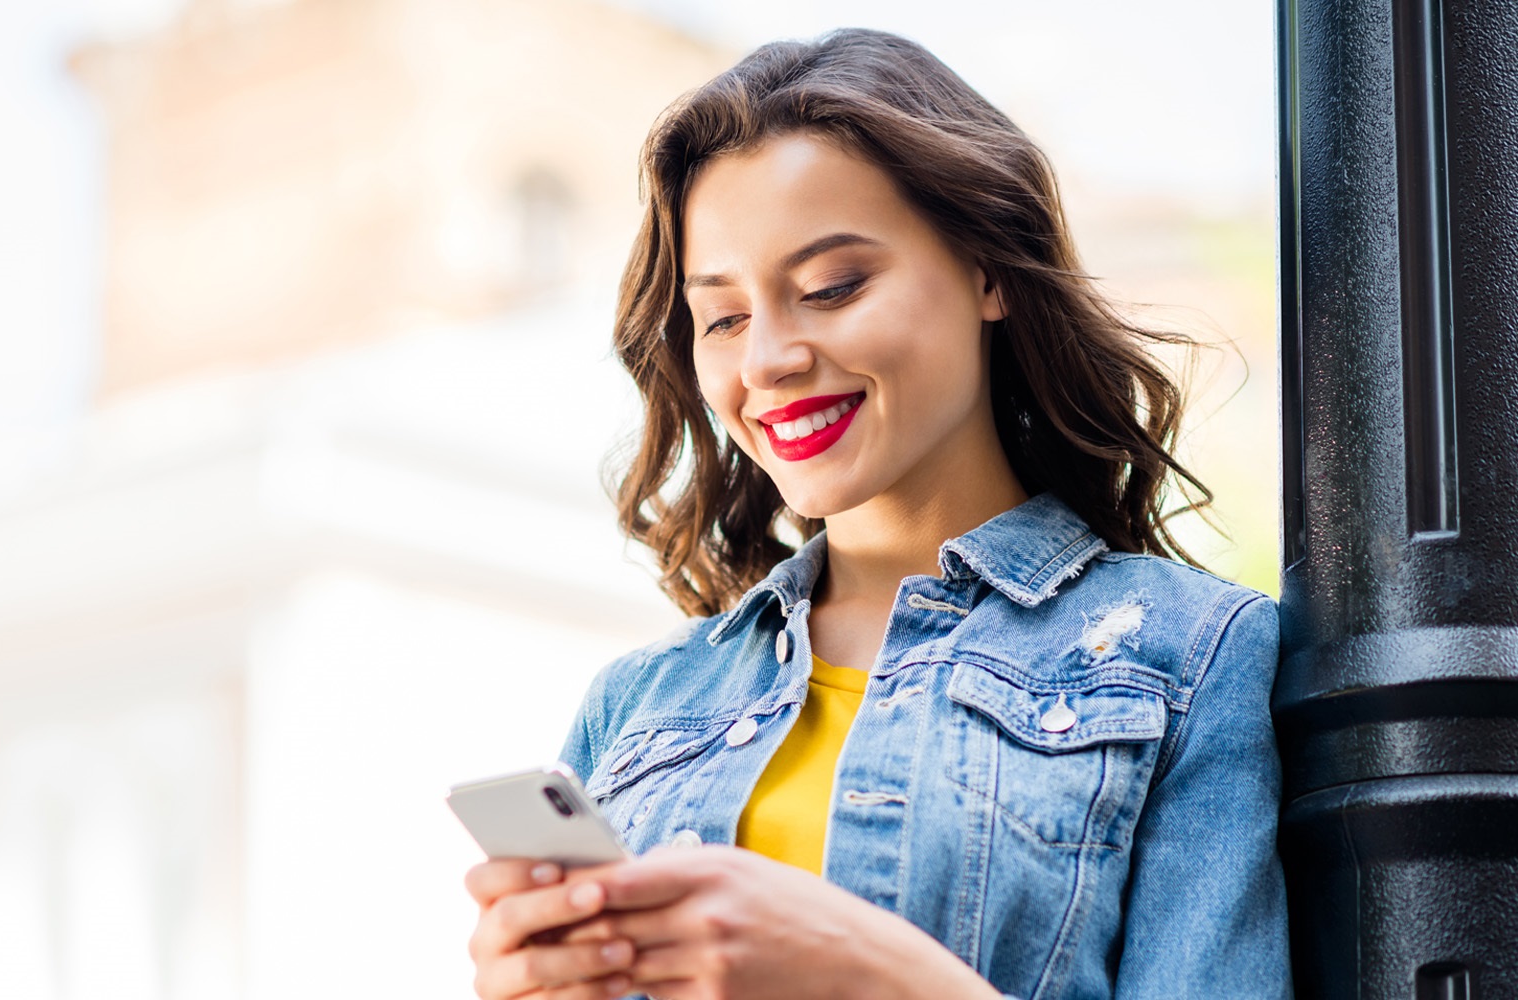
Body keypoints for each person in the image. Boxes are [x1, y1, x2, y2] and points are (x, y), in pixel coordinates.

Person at [463, 27, 1289, 1000]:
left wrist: (869, 974)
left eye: (830, 287)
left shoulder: (1188, 658)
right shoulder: (637, 707)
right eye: (722, 317)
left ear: (988, 271)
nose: (767, 357)